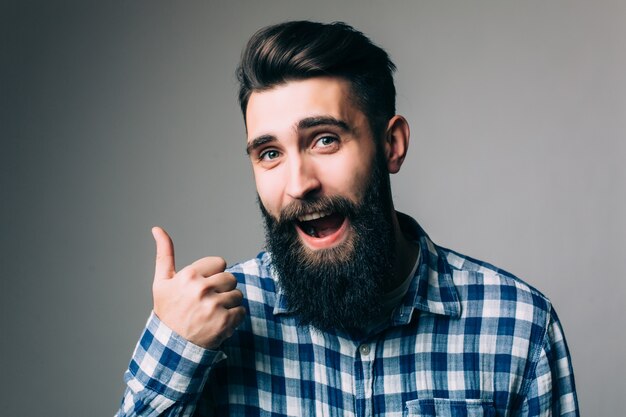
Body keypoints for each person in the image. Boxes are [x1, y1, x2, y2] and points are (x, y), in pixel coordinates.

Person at [116, 21, 579, 416]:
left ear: (391, 144)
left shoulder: (518, 325)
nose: (299, 183)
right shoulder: (208, 330)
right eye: (270, 153)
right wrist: (178, 349)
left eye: (324, 140)